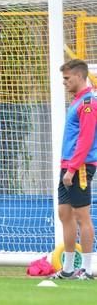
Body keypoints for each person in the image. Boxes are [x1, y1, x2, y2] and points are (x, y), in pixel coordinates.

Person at [49, 59, 95, 280]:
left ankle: (87, 269)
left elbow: (85, 140)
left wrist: (73, 168)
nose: (64, 83)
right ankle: (68, 269)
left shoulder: (88, 102)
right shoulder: (76, 101)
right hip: (67, 165)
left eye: (67, 78)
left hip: (80, 167)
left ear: (79, 76)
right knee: (64, 213)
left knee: (81, 215)